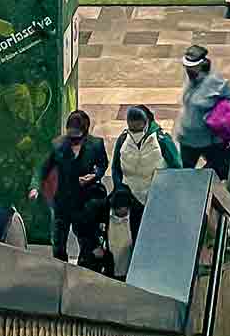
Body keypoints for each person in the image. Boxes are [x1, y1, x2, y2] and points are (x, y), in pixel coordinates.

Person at [31, 110, 110, 265]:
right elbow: (42, 168)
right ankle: (59, 270)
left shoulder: (96, 144)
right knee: (58, 243)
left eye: (77, 136)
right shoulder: (57, 145)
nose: (74, 140)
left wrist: (94, 176)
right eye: (71, 136)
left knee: (87, 241)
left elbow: (103, 164)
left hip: (85, 202)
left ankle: (83, 269)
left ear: (85, 132)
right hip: (62, 201)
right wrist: (35, 187)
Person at [110, 104, 181, 240]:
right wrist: (119, 189)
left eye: (139, 128)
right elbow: (116, 167)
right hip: (134, 197)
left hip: (157, 196)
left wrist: (171, 194)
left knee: (158, 234)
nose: (135, 132)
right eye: (132, 129)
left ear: (147, 123)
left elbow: (177, 167)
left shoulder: (162, 140)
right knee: (136, 234)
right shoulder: (123, 139)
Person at [174, 44, 230, 178]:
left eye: (190, 67)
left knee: (219, 171)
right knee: (185, 173)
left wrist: (218, 114)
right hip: (186, 137)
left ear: (200, 65)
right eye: (186, 67)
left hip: (208, 140)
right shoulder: (189, 78)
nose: (187, 70)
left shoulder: (215, 82)